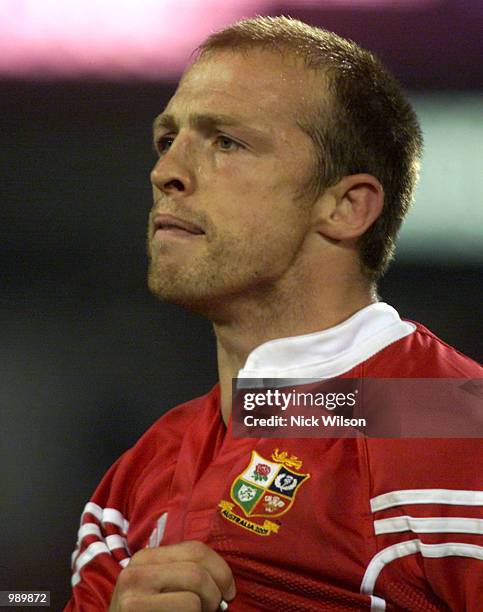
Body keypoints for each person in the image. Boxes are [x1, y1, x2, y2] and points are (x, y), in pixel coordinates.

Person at [65, 16, 482, 612]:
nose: (166, 173)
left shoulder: (457, 431)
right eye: (166, 140)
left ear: (344, 207)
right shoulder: (129, 488)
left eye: (226, 142)